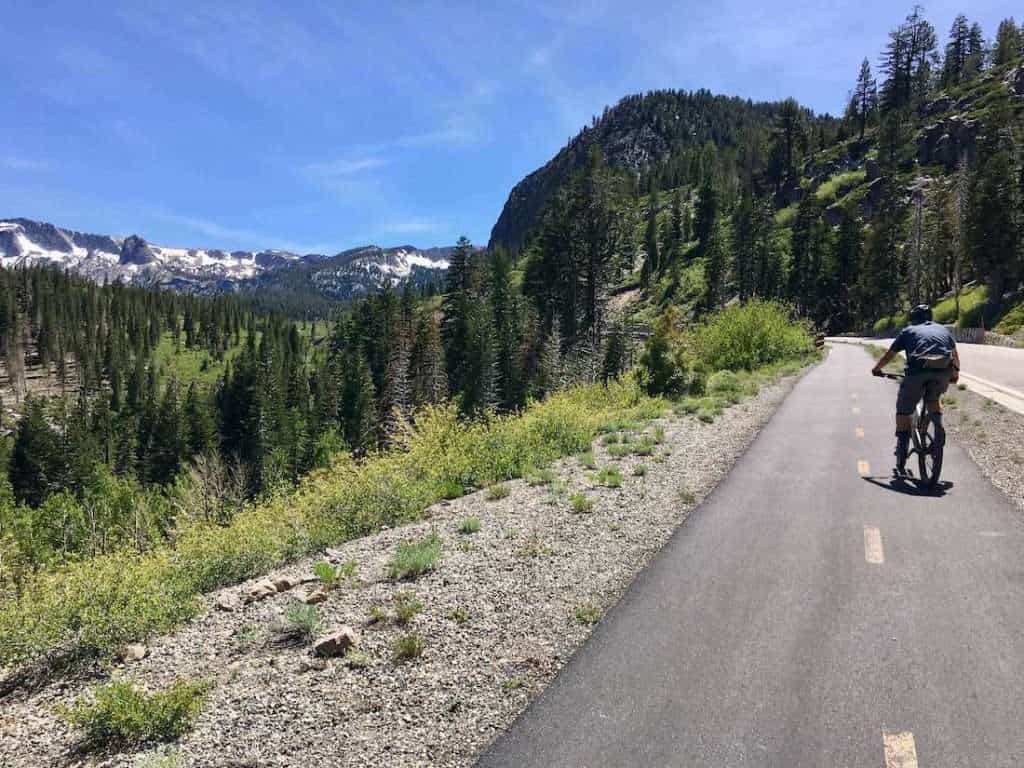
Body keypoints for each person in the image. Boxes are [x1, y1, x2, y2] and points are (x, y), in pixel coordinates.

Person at [871, 304, 960, 475]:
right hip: (943, 371)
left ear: (913, 318)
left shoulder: (908, 331)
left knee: (904, 410)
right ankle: (938, 424)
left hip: (917, 373)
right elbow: (954, 354)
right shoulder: (942, 329)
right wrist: (955, 373)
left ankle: (902, 447)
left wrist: (877, 369)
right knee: (933, 398)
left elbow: (890, 355)